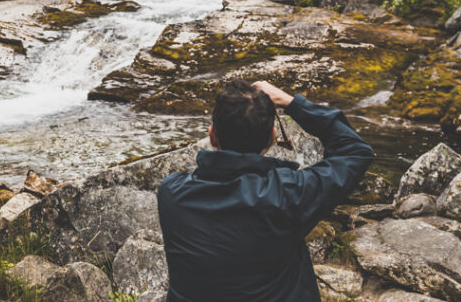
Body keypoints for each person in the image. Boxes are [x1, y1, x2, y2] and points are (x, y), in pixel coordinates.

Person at [157, 80, 374, 301]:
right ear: (272, 138)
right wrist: (291, 102)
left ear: (212, 136)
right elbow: (355, 152)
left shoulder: (172, 194)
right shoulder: (289, 194)